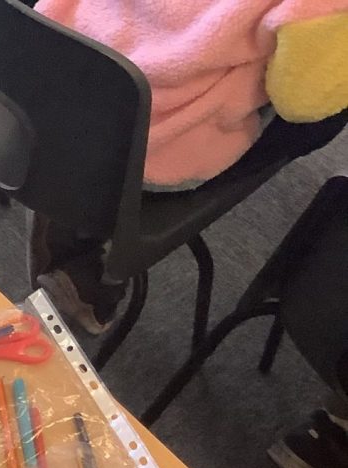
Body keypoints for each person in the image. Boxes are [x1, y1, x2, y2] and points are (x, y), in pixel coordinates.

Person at [29, 0, 348, 334]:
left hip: (41, 66)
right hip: (148, 137)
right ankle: (96, 259)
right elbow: (300, 102)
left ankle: (65, 208)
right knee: (320, 116)